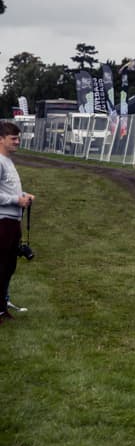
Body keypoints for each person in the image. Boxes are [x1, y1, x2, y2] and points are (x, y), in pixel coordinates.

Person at [0, 121, 35, 324]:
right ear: (1, 139)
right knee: (1, 266)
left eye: (18, 138)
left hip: (13, 222)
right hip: (3, 221)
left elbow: (7, 190)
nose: (17, 142)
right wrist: (16, 200)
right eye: (13, 138)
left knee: (8, 267)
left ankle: (2, 307)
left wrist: (23, 195)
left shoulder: (8, 161)